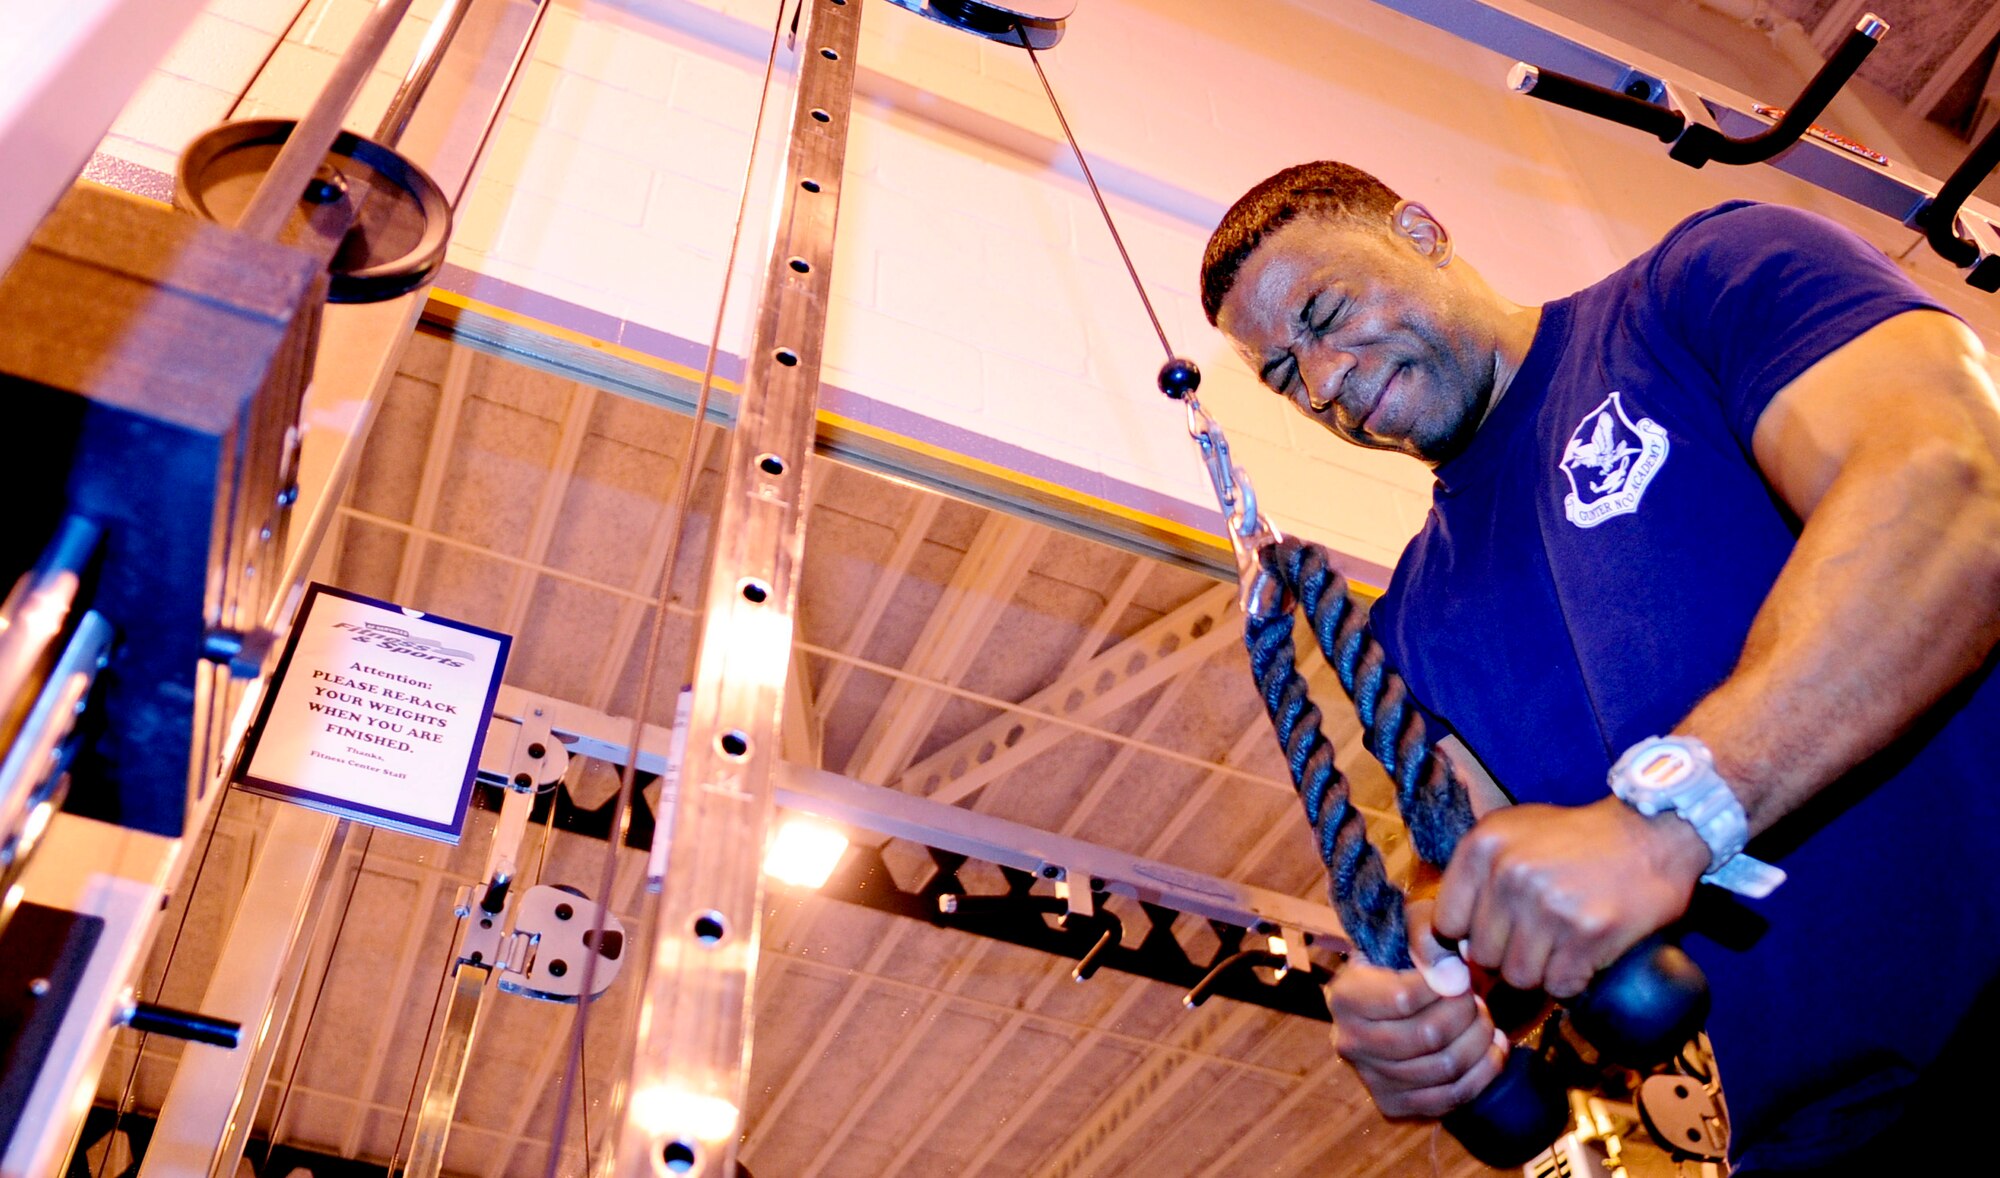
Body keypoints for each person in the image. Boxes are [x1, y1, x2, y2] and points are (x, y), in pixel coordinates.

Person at [1199, 161, 2000, 1173]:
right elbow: (1485, 880)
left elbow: (1954, 489)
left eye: (1322, 312)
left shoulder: (1700, 281)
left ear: (1418, 228)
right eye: (1282, 376)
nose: (1321, 383)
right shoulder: (1412, 618)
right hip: (1816, 1131)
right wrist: (1425, 996)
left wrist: (1666, 818)